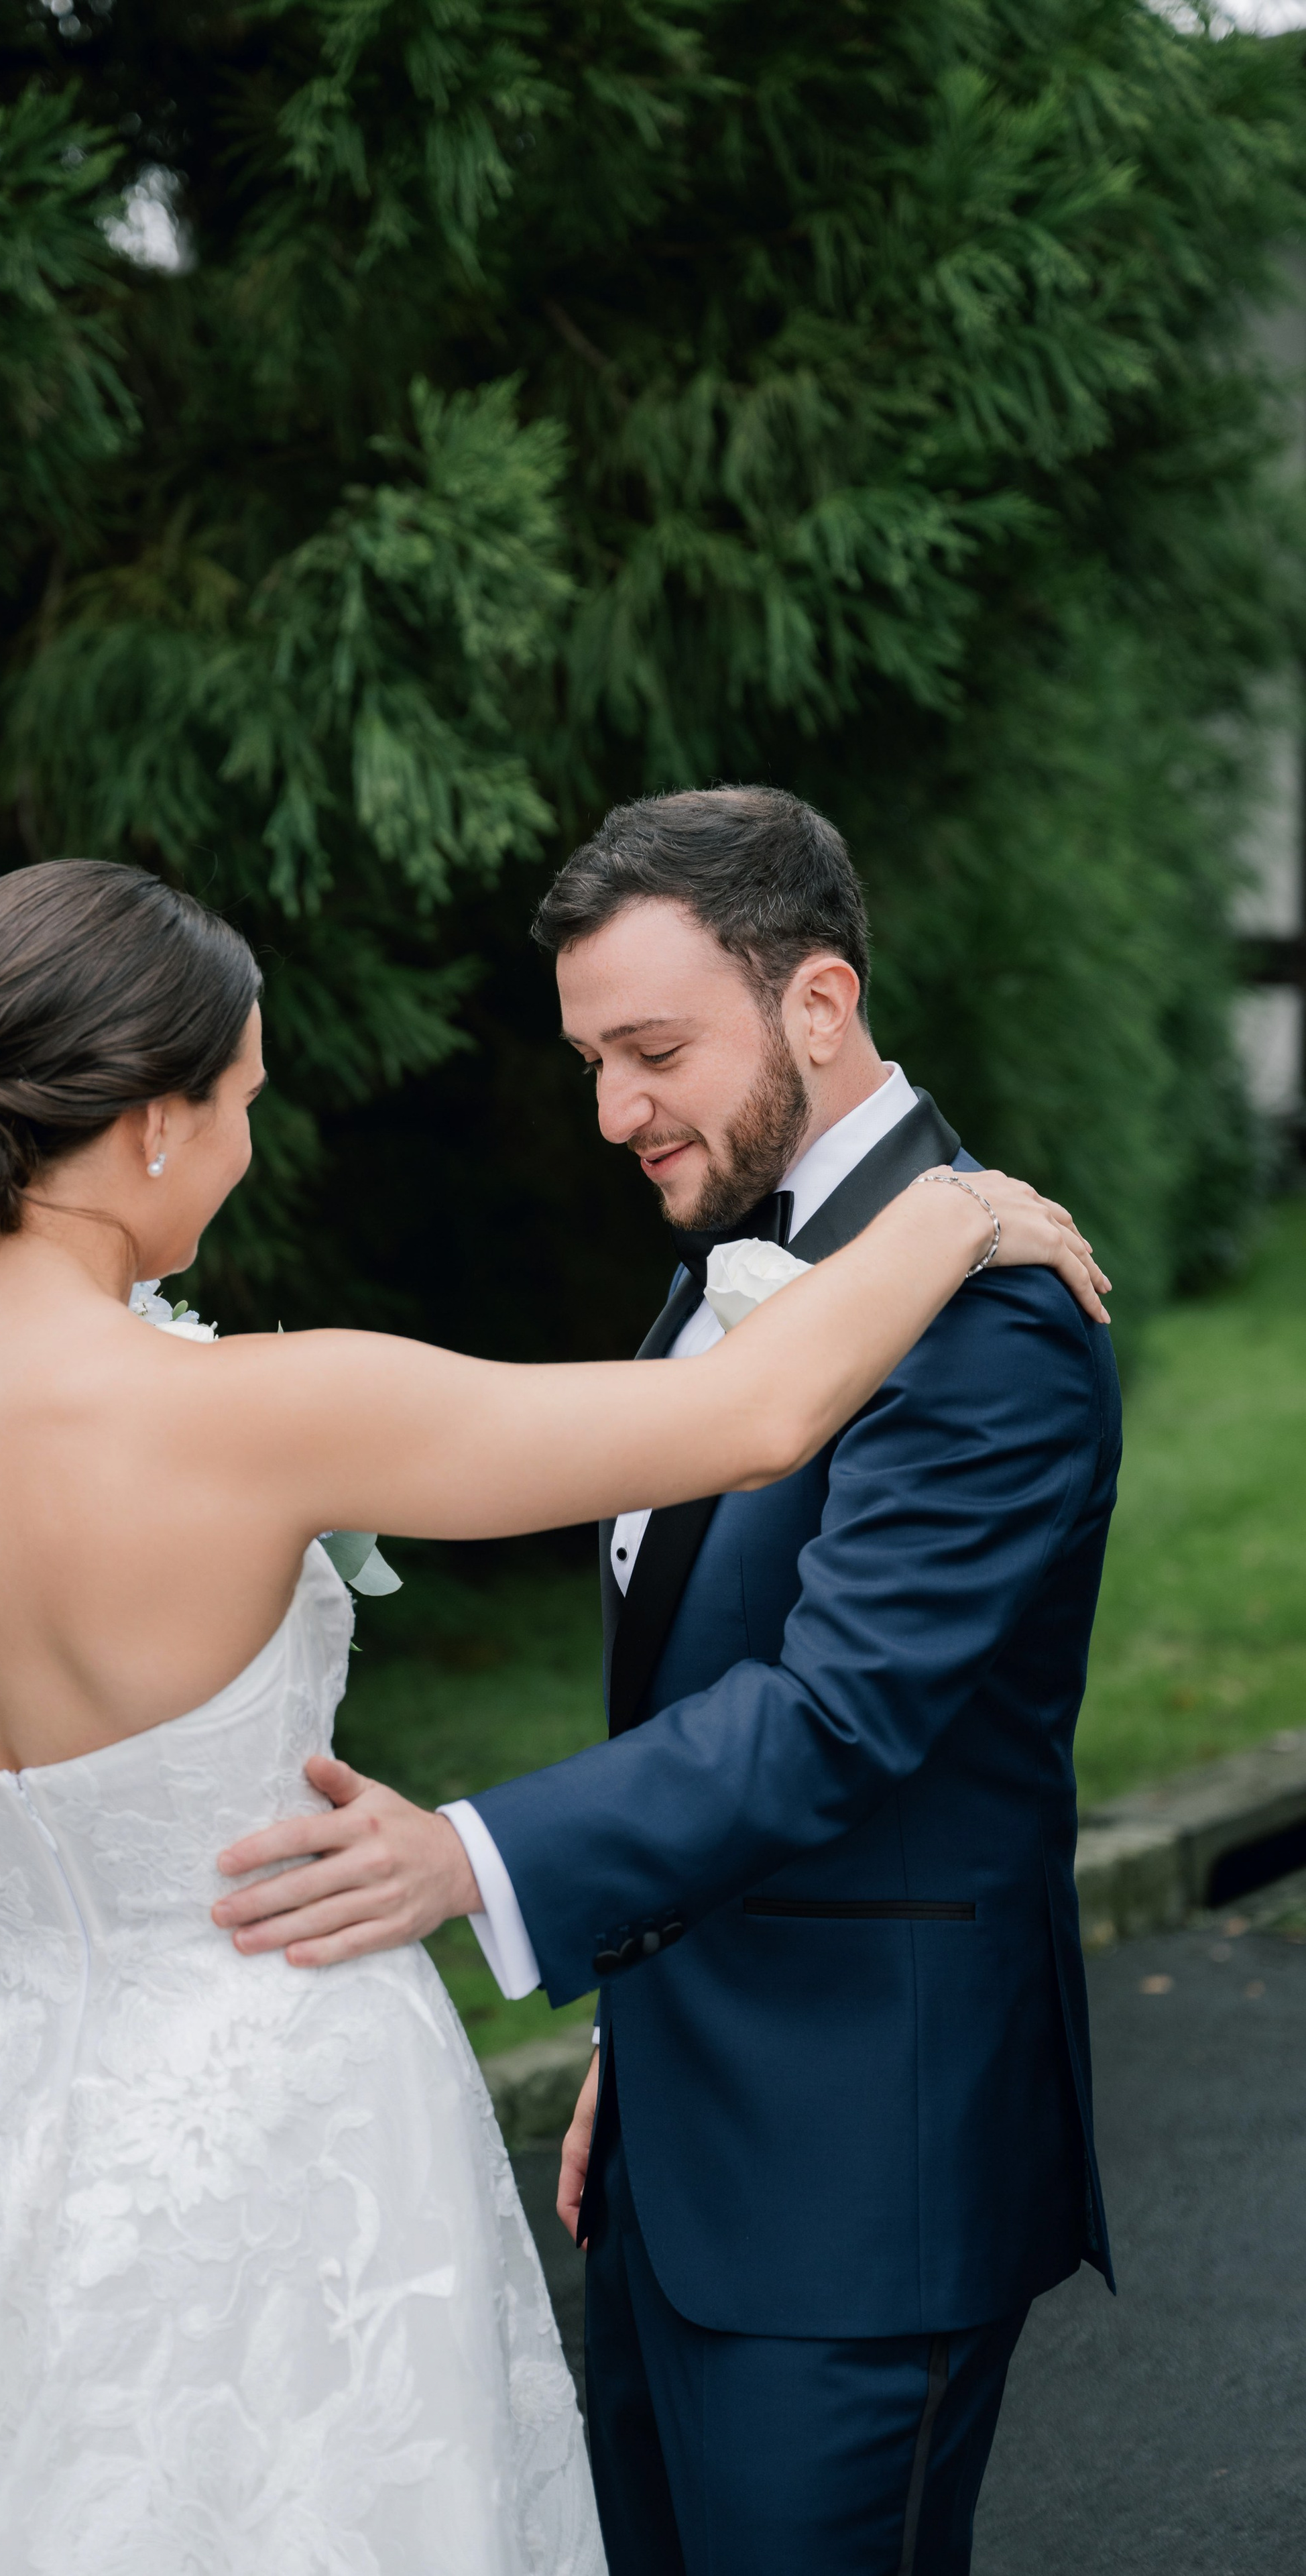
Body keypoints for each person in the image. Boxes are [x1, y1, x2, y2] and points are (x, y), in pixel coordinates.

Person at [0, 855, 1105, 2576]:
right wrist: (954, 1215)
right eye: (244, 1102)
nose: (247, 1147)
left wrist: (21, 1800)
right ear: (158, 1123)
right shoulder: (261, 1410)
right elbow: (756, 1417)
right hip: (279, 2108)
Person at [219, 789, 1123, 2576]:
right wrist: (643, 2030)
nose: (617, 1111)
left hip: (865, 2187)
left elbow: (833, 1718)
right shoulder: (727, 1274)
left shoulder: (997, 1317)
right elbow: (686, 1683)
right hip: (683, 2147)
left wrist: (471, 1857)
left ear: (817, 1001)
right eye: (592, 1065)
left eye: (651, 1050)